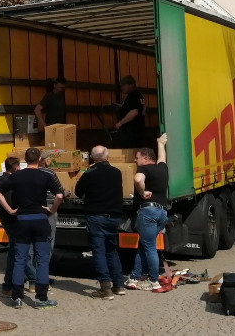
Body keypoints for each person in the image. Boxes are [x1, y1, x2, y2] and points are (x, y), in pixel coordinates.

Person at [0, 148, 62, 309]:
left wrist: (10, 210)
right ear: (39, 159)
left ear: (25, 159)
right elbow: (59, 195)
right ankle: (41, 297)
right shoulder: (45, 175)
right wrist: (52, 210)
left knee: (19, 258)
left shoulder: (16, 176)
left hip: (22, 220)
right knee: (42, 260)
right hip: (39, 219)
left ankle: (16, 297)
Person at [75, 146, 127, 300]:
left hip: (96, 216)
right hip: (114, 217)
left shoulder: (89, 173)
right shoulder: (117, 172)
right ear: (108, 156)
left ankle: (106, 289)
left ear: (92, 158)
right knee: (112, 250)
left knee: (98, 251)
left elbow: (78, 191)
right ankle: (119, 285)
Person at [127, 134, 170, 291]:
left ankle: (153, 280)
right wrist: (161, 144)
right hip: (162, 213)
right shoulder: (162, 169)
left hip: (148, 212)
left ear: (145, 158)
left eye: (137, 157)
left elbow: (138, 179)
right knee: (144, 245)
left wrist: (142, 192)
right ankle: (134, 277)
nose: (135, 160)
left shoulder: (144, 168)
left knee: (149, 246)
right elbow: (162, 158)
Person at [0, 157, 36, 297]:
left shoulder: (3, 180)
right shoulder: (10, 181)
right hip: (14, 220)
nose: (20, 168)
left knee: (14, 253)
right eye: (19, 166)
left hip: (9, 220)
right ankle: (34, 280)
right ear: (15, 167)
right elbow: (12, 201)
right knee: (21, 253)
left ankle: (8, 286)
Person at [114, 75, 145, 148]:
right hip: (137, 131)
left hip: (132, 133)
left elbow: (134, 112)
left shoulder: (134, 95)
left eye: (124, 85)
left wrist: (120, 123)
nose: (122, 88)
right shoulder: (137, 95)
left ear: (131, 84)